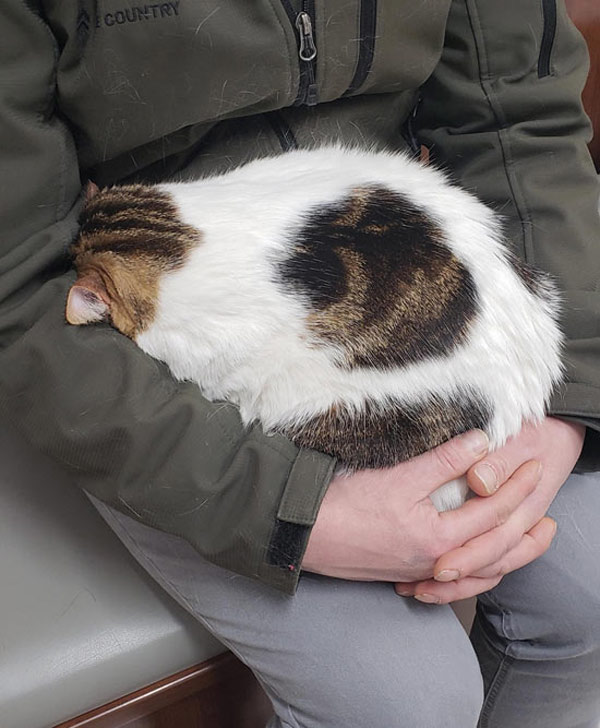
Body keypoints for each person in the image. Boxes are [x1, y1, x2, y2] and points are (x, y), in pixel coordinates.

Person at [1, 1, 599, 726]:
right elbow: (19, 284)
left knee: (589, 597)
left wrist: (565, 392)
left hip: (417, 273)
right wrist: (286, 510)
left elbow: (518, 123)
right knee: (402, 702)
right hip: (146, 360)